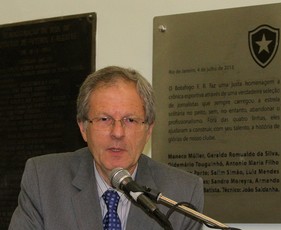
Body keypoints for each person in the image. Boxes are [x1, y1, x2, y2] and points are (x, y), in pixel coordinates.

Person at [9, 66, 204, 230]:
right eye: (104, 119)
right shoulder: (43, 180)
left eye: (130, 120)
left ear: (148, 130)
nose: (117, 132)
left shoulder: (182, 193)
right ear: (83, 128)